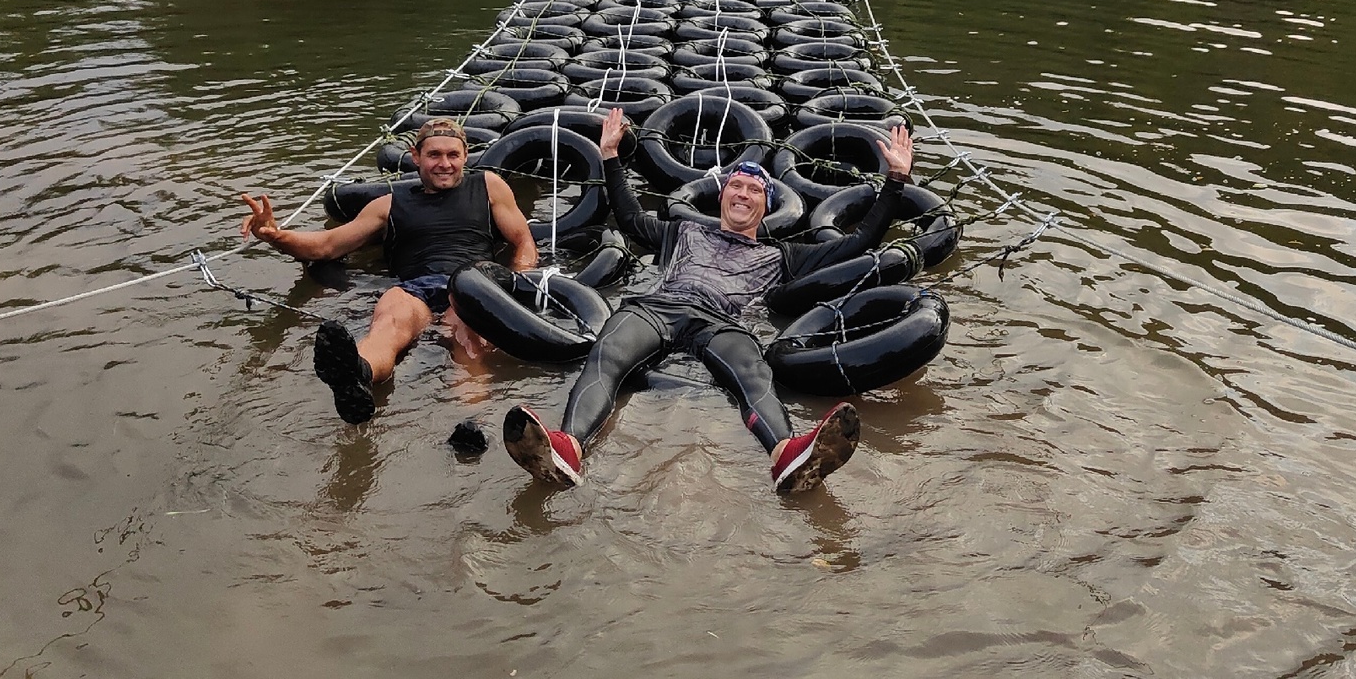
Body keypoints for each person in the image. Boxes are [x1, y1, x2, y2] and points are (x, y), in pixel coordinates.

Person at [502, 105, 916, 497]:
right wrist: (609, 154)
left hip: (722, 323)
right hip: (658, 309)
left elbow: (859, 243)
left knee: (755, 375)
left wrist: (895, 181)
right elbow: (628, 216)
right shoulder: (682, 231)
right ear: (722, 196)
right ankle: (569, 447)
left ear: (766, 205)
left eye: (754, 190)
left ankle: (787, 455)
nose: (742, 193)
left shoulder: (782, 255)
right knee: (606, 355)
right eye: (735, 185)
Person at [240, 117, 539, 425]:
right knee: (388, 323)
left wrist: (518, 282)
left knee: (467, 337)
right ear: (415, 157)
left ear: (465, 155)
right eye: (434, 154)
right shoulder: (389, 204)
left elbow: (523, 242)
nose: (444, 163)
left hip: (471, 284)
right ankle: (358, 374)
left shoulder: (488, 186)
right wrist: (275, 236)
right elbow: (326, 245)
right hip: (415, 288)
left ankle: (471, 422)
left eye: (453, 155)